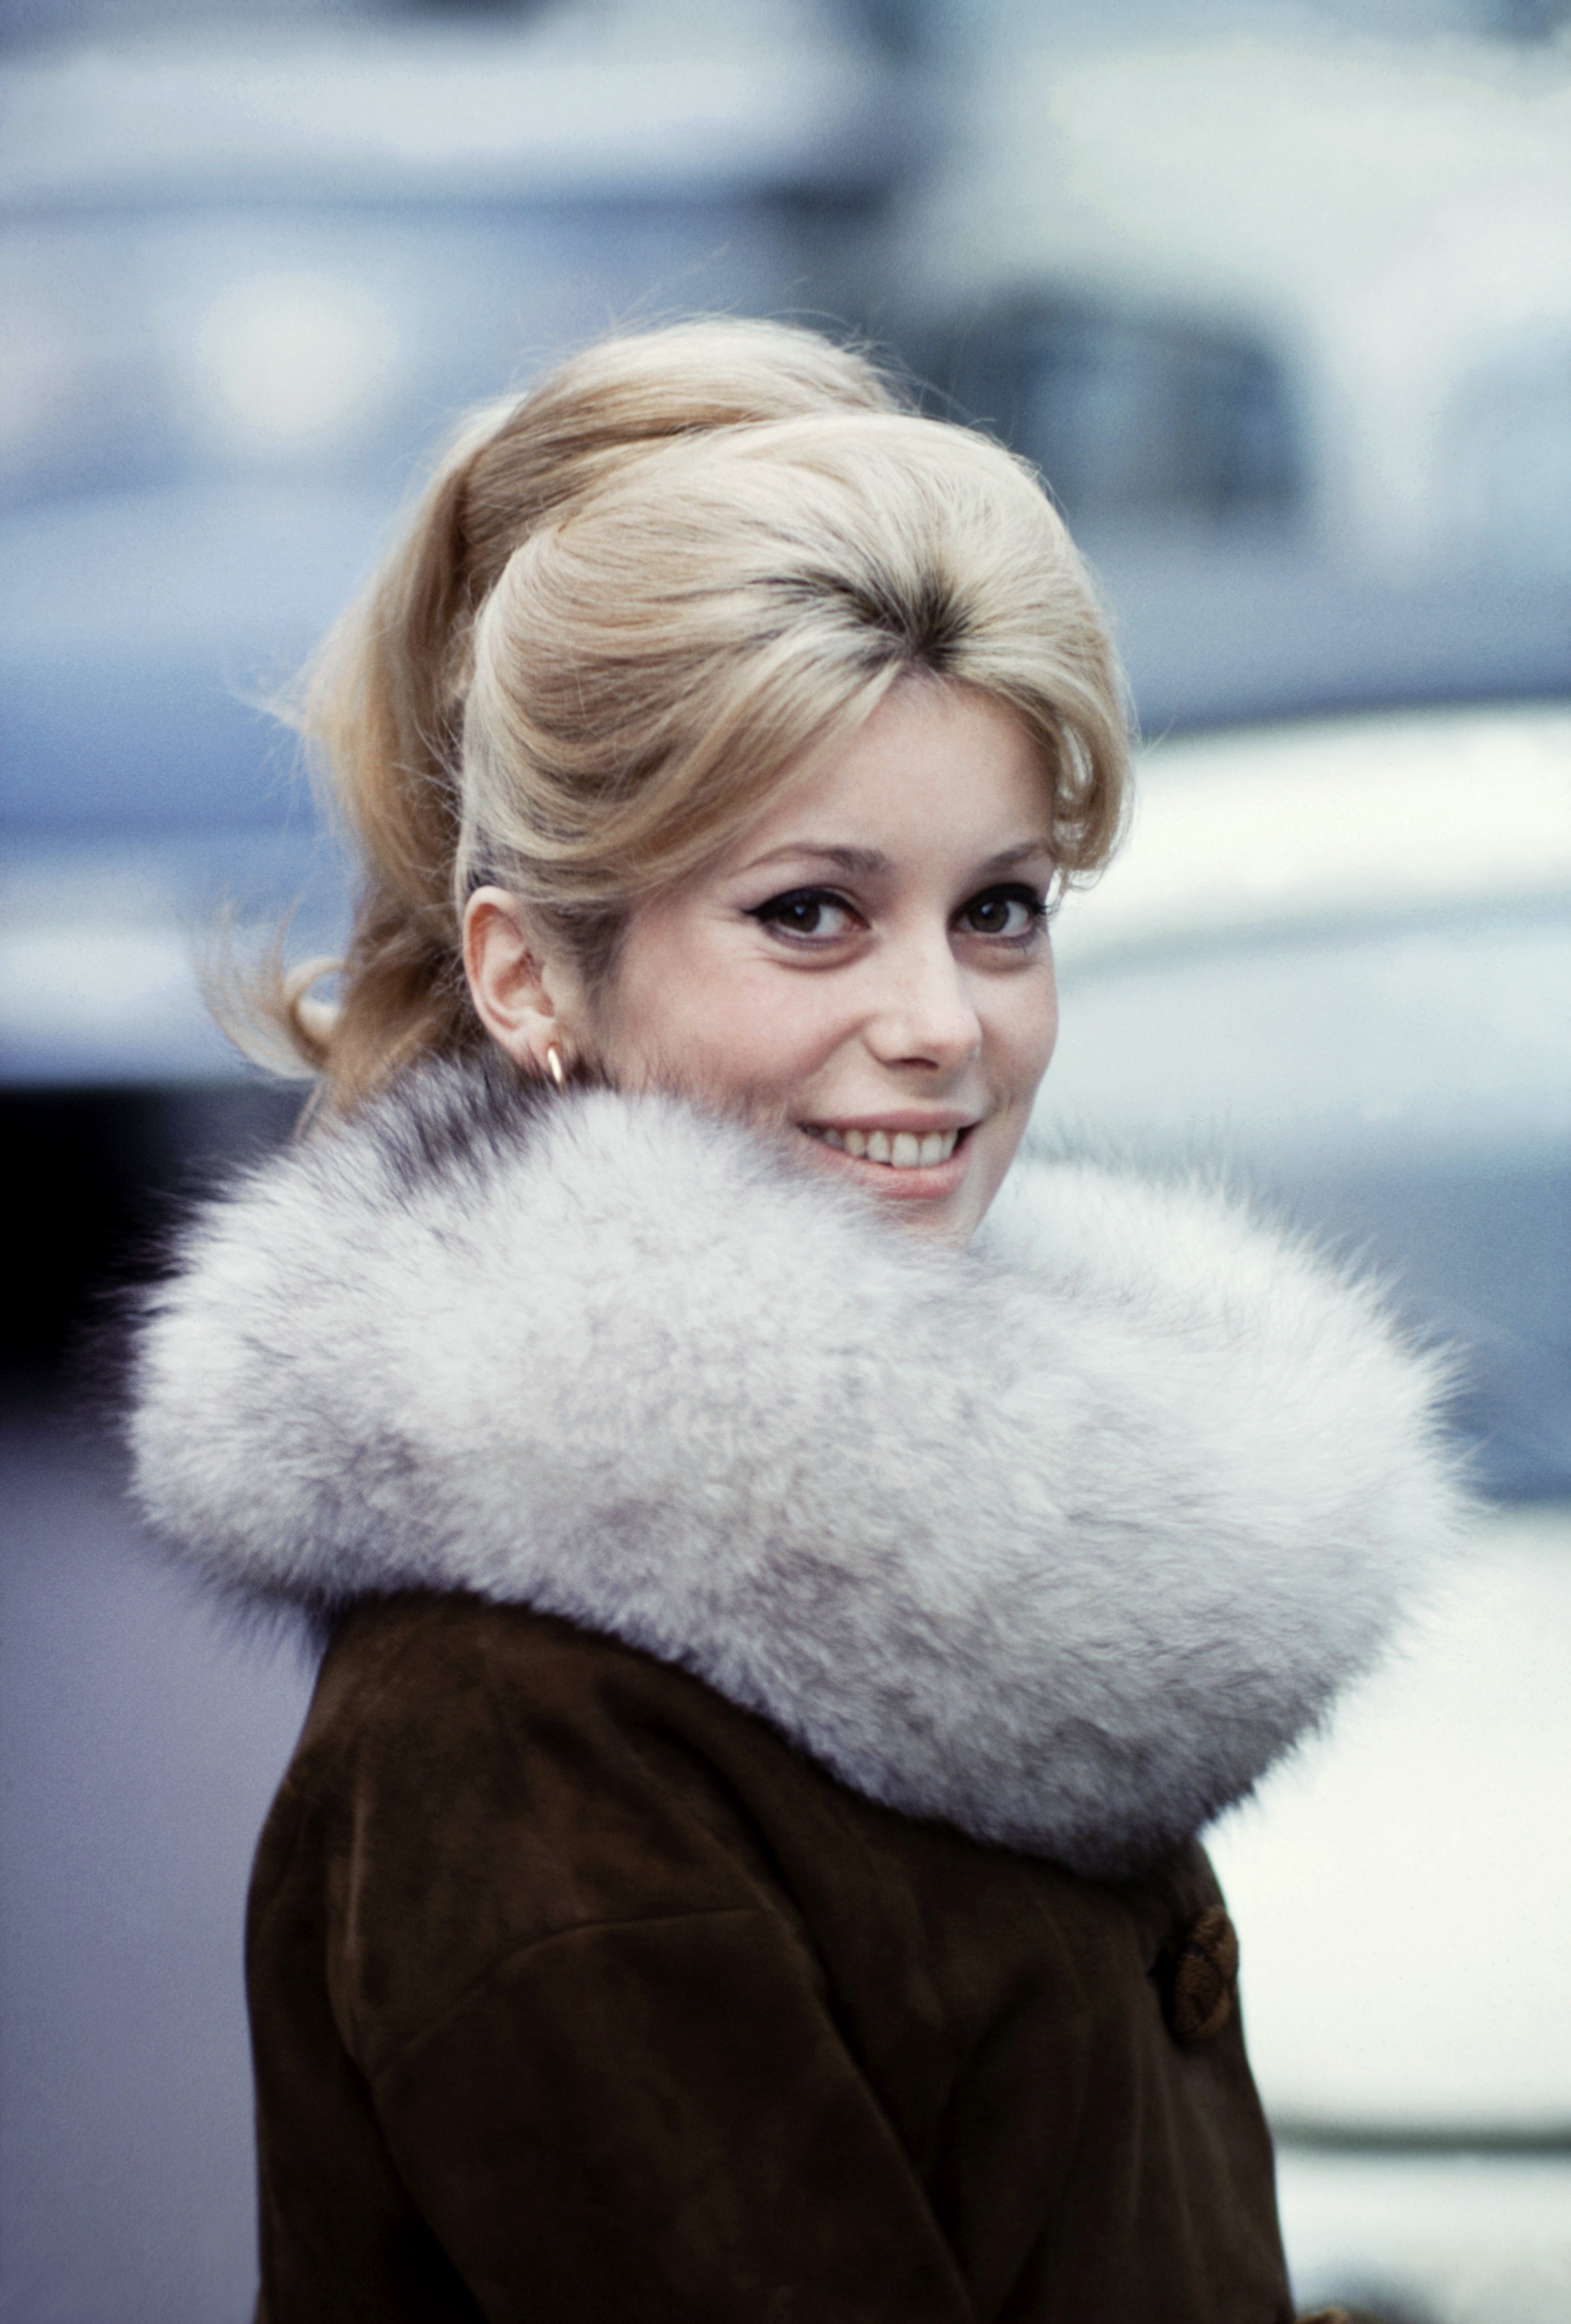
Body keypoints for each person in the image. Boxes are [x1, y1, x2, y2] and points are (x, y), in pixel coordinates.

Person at [129, 319, 1456, 2322]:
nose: (941, 1022)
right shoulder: (527, 1733)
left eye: (999, 908)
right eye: (809, 913)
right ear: (526, 975)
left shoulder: (936, 1560)